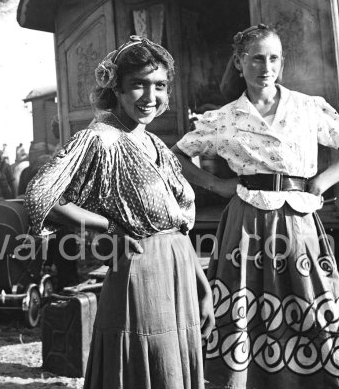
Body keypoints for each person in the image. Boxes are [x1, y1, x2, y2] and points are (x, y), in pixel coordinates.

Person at [172, 23, 339, 389]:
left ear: (282, 62)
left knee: (315, 300)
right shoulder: (226, 117)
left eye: (274, 58)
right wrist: (216, 184)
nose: (266, 67)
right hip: (246, 221)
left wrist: (323, 181)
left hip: (299, 220)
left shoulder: (308, 107)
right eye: (256, 58)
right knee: (244, 310)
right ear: (238, 62)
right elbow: (176, 156)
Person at [25, 36, 213, 389]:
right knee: (146, 368)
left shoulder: (155, 142)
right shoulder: (101, 137)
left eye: (159, 86)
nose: (149, 97)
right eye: (138, 85)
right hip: (140, 271)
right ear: (117, 88)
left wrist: (202, 286)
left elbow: (178, 226)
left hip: (179, 269)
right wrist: (108, 225)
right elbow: (41, 196)